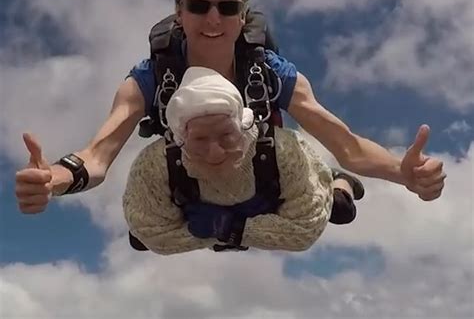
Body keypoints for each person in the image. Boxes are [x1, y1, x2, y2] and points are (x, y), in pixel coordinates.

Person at [16, 0, 445, 218]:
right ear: (179, 13)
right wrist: (53, 179)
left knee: (302, 166)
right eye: (199, 6)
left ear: (243, 15)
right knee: (153, 199)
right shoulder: (149, 78)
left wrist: (401, 173)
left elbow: (346, 143)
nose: (213, 19)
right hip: (197, 169)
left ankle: (337, 185)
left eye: (228, 6)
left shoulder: (271, 74)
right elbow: (98, 155)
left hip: (257, 164)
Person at [123, 66, 363, 254]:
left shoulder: (286, 150)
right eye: (200, 139)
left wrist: (232, 229)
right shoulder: (155, 165)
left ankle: (340, 181)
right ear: (180, 138)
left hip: (271, 197)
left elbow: (305, 229)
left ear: (244, 126)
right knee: (138, 239)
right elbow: (153, 234)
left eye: (226, 135)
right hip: (193, 208)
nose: (215, 153)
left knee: (339, 209)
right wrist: (211, 233)